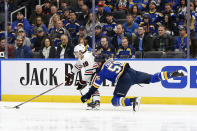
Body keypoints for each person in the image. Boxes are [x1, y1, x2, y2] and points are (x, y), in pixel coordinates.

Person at [81, 55, 186, 111]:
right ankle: (172, 74)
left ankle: (133, 101)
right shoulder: (110, 59)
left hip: (124, 78)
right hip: (131, 72)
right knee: (153, 78)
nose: (97, 64)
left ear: (100, 62)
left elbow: (95, 86)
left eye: (97, 62)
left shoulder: (101, 71)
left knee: (115, 101)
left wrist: (87, 95)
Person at [65, 44, 100, 110]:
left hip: (97, 71)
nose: (75, 54)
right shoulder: (81, 57)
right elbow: (77, 66)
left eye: (76, 52)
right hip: (93, 72)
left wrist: (82, 82)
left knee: (92, 86)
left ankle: (96, 102)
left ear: (80, 51)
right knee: (92, 86)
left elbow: (89, 71)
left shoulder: (87, 56)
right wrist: (70, 74)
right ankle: (95, 101)